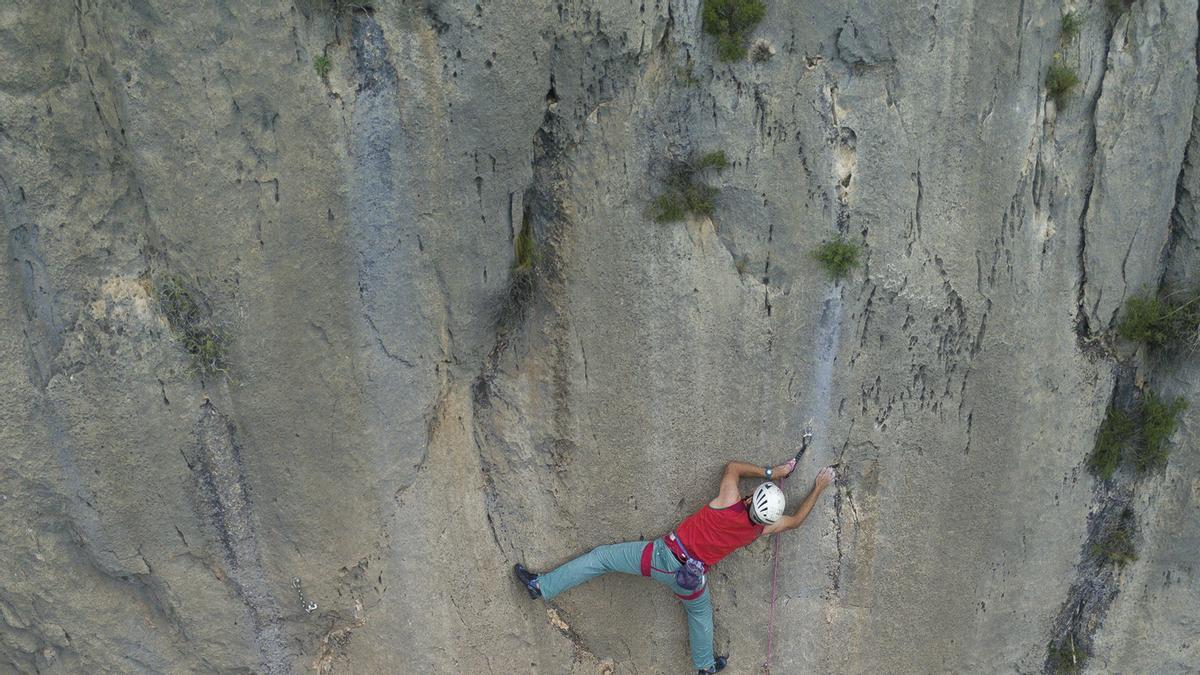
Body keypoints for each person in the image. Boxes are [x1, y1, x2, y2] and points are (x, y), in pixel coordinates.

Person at [513, 458, 837, 674]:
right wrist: (819, 487)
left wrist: (775, 473)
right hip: (691, 579)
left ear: (752, 498)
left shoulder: (728, 500)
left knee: (601, 558)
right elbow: (794, 521)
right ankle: (705, 668)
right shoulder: (760, 529)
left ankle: (541, 586)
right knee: (700, 614)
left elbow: (733, 468)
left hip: (660, 558)